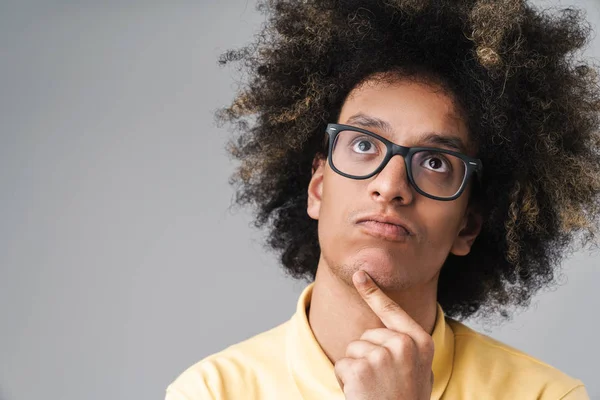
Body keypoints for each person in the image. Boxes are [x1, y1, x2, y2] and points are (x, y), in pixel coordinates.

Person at [165, 0, 600, 398]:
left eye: (434, 162)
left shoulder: (546, 396)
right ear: (318, 189)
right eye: (363, 145)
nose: (391, 186)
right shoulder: (211, 391)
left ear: (466, 226)